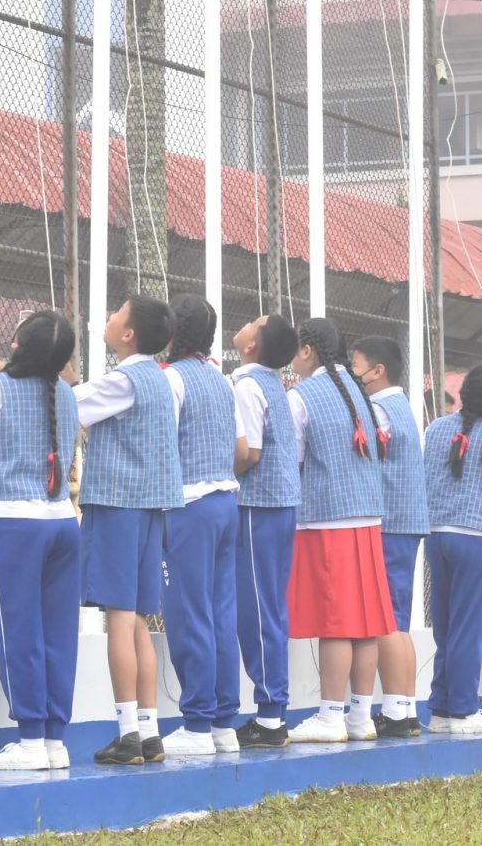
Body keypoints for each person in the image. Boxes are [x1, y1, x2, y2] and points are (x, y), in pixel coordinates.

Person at [0, 310, 81, 771]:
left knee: (18, 631)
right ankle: (54, 741)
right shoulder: (67, 393)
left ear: (17, 346)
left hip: (13, 522)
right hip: (63, 522)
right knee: (58, 634)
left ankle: (29, 742)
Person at [74, 295, 184, 766]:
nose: (109, 317)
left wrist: (4, 369)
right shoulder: (162, 380)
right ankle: (149, 730)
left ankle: (127, 734)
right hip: (152, 506)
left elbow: (70, 407)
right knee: (139, 618)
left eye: (117, 313)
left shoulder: (122, 380)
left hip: (118, 505)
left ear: (128, 334)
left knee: (118, 617)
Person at [284, 318, 396, 744]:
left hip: (327, 520)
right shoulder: (358, 389)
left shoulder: (302, 395)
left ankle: (330, 717)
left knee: (334, 623)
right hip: (367, 518)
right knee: (364, 623)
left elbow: (292, 458)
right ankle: (360, 716)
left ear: (307, 351)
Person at [156, 295, 244, 757]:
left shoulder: (171, 379)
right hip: (226, 501)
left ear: (171, 332)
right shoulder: (221, 379)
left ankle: (196, 723)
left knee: (188, 614)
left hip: (188, 505)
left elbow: (161, 445)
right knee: (221, 613)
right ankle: (223, 722)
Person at [423, 365, 482, 736]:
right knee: (470, 628)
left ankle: (441, 710)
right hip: (474, 537)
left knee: (444, 627)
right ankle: (463, 710)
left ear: (463, 394)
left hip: (436, 536)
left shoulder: (435, 428)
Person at [229, 313, 301, 749]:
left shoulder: (248, 386)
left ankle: (271, 714)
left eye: (254, 323)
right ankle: (273, 707)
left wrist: (221, 473)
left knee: (256, 609)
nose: (248, 322)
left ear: (252, 345)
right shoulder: (274, 384)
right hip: (281, 504)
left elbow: (249, 452)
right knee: (270, 606)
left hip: (259, 505)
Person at [349, 335, 428, 739]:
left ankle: (396, 713)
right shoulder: (401, 406)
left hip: (390, 523)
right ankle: (405, 708)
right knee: (397, 617)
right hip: (405, 522)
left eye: (355, 365)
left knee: (387, 620)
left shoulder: (378, 409)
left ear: (377, 371)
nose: (351, 373)